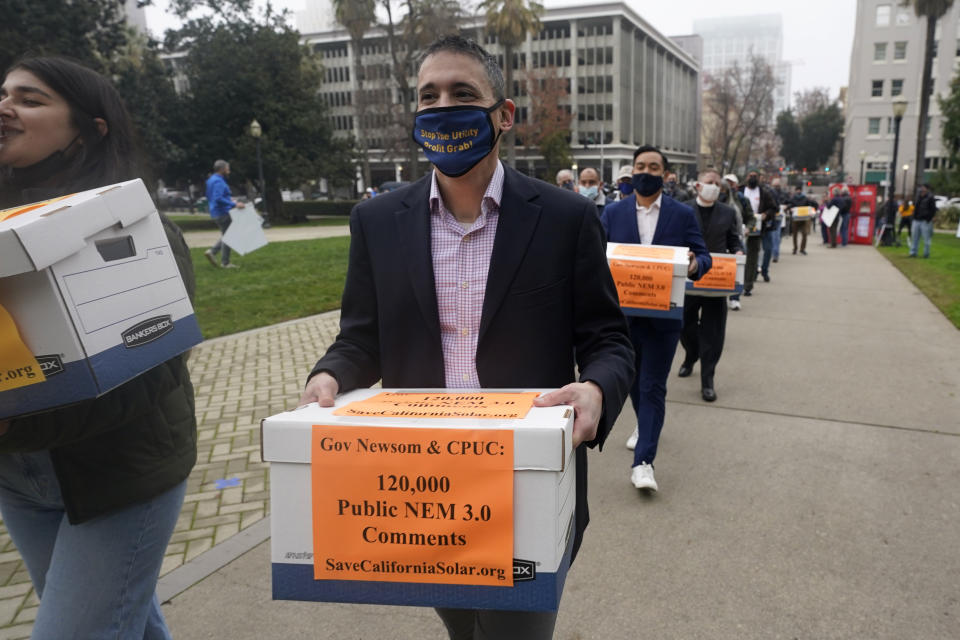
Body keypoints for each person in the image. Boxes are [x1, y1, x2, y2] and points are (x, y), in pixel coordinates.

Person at [299, 35, 634, 639]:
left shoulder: (565, 219)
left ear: (503, 115)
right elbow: (361, 339)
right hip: (421, 485)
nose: (443, 106)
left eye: (463, 93)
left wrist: (597, 391)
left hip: (527, 476)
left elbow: (609, 340)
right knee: (462, 627)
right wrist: (328, 375)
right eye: (429, 96)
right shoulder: (376, 222)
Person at [0, 56, 196, 639]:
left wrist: (13, 425)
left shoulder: (132, 227)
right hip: (19, 481)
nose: (5, 106)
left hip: (119, 475)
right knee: (128, 623)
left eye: (30, 99)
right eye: (2, 94)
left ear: (90, 128)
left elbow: (152, 368)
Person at [600, 145, 711, 493]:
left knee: (653, 387)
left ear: (665, 174)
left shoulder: (682, 214)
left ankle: (644, 462)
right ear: (631, 171)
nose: (645, 172)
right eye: (640, 166)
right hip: (623, 320)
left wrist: (694, 264)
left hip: (663, 320)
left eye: (653, 167)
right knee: (632, 383)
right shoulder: (613, 213)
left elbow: (702, 257)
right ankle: (643, 424)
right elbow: (593, 255)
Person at [679, 170, 744, 402]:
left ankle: (707, 378)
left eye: (718, 184)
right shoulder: (684, 209)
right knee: (684, 325)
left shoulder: (727, 212)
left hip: (717, 279)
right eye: (710, 183)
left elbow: (733, 238)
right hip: (689, 278)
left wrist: (737, 250)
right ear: (698, 186)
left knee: (714, 332)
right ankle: (691, 355)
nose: (714, 187)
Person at [718, 175, 753, 311]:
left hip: (735, 238)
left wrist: (747, 228)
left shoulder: (739, 201)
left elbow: (748, 217)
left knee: (737, 269)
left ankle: (735, 298)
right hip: (717, 240)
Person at [203, 159, 245, 268]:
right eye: (227, 168)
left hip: (216, 212)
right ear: (222, 169)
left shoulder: (211, 180)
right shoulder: (219, 181)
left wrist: (231, 200)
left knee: (227, 235)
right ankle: (223, 261)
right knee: (229, 236)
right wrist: (234, 205)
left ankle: (214, 253)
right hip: (223, 212)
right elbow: (218, 198)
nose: (229, 171)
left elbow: (212, 196)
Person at [740, 170, 778, 283]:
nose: (752, 178)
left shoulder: (764, 192)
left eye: (754, 176)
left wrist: (766, 215)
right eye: (750, 176)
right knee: (745, 251)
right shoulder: (740, 191)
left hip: (761, 227)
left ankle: (763, 270)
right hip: (744, 226)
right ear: (746, 177)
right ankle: (749, 274)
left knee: (766, 249)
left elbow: (773, 208)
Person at [788, 185, 817, 255]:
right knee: (795, 235)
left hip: (804, 219)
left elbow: (812, 205)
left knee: (804, 234)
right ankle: (795, 248)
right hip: (795, 219)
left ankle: (802, 249)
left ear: (801, 190)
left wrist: (811, 211)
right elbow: (789, 206)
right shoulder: (793, 198)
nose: (798, 191)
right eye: (797, 190)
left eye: (799, 190)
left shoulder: (805, 198)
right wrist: (790, 210)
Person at [910, 184, 936, 258]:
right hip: (916, 220)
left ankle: (926, 254)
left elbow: (933, 209)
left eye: (923, 188)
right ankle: (913, 252)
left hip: (925, 221)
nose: (922, 189)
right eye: (921, 188)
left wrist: (928, 218)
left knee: (926, 239)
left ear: (927, 189)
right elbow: (915, 207)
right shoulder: (918, 196)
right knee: (915, 237)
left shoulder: (930, 197)